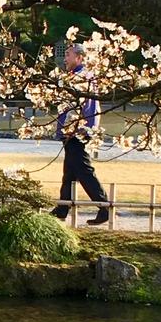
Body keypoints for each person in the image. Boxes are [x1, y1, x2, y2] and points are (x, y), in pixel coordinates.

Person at [52, 43, 111, 225]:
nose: (65, 58)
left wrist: (85, 129)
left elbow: (90, 106)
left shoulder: (84, 76)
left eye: (68, 54)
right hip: (71, 129)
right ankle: (62, 207)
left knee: (83, 169)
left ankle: (103, 206)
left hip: (77, 130)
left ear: (79, 57)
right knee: (70, 170)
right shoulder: (73, 77)